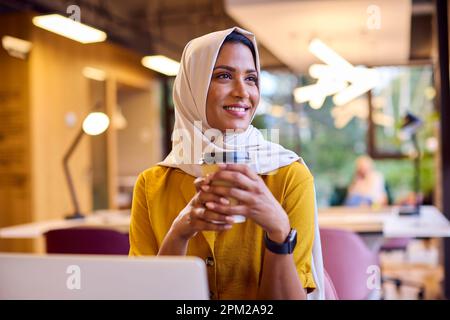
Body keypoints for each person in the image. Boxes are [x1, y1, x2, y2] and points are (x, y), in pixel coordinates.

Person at [129, 27, 324, 300]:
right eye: (223, 76)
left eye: (251, 79)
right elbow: (143, 295)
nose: (242, 92)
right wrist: (178, 234)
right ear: (193, 87)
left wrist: (279, 231)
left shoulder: (289, 175)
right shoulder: (152, 184)